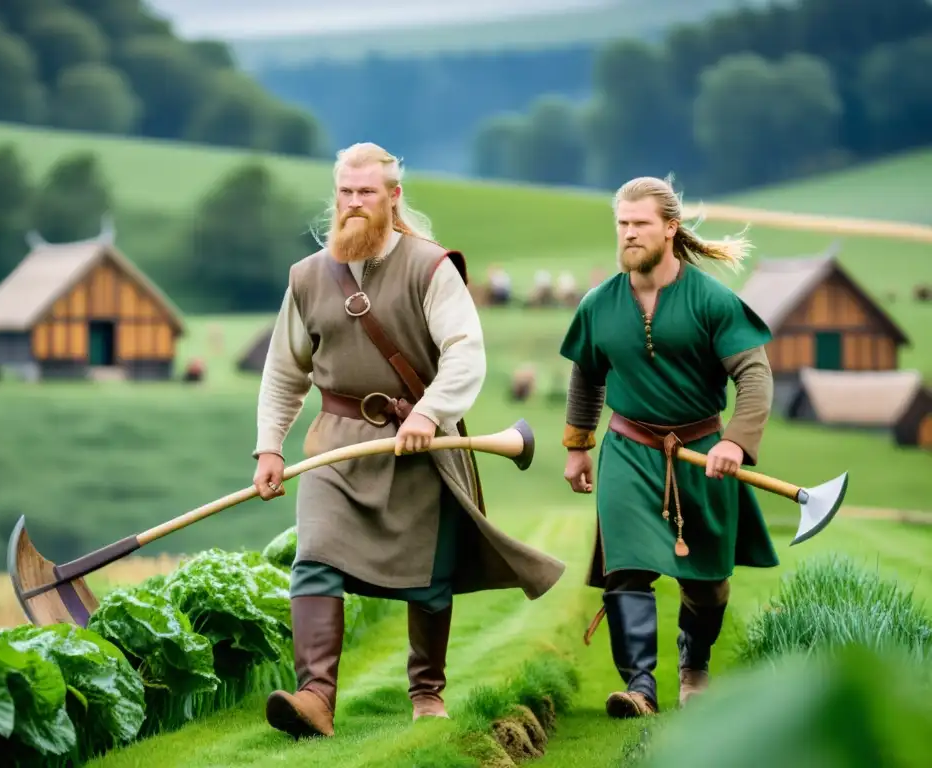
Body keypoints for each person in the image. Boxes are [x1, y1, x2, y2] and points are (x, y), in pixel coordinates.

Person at [252, 141, 566, 740]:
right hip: (335, 449)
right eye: (345, 192)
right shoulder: (308, 277)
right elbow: (284, 372)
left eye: (366, 192)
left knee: (428, 578)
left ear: (393, 198)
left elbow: (465, 354)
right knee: (313, 557)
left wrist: (430, 413)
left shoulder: (430, 267)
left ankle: (427, 692)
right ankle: (316, 698)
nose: (353, 203)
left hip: (419, 444)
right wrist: (270, 446)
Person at [558, 175, 779, 719]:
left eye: (640, 224)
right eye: (622, 224)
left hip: (702, 455)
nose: (629, 234)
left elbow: (754, 375)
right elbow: (587, 376)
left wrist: (736, 442)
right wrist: (578, 446)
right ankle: (640, 687)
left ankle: (694, 664)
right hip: (629, 449)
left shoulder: (712, 301)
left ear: (670, 229)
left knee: (708, 584)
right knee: (626, 566)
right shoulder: (599, 304)